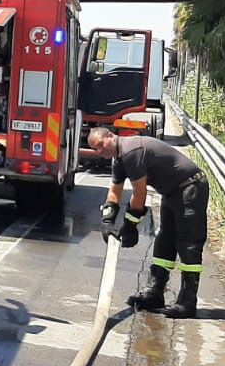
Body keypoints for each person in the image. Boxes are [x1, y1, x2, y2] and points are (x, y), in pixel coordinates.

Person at [86, 126, 209, 318]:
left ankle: (187, 301)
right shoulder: (118, 159)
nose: (100, 151)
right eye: (96, 149)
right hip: (172, 192)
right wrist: (107, 221)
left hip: (190, 187)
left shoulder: (131, 151)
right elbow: (115, 190)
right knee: (164, 241)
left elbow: (139, 192)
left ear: (111, 136)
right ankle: (155, 293)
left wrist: (129, 225)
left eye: (101, 145)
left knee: (188, 244)